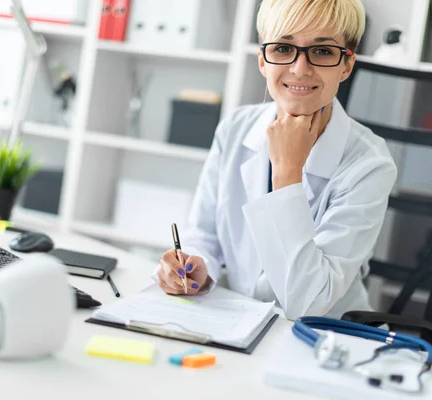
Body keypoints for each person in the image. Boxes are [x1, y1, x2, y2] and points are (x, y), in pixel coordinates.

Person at [156, 0, 397, 320]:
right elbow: (205, 234)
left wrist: (287, 172)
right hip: (241, 323)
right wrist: (197, 267)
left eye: (322, 52)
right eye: (284, 48)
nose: (300, 68)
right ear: (262, 62)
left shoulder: (370, 164)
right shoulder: (234, 128)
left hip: (325, 338)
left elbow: (308, 302)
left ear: (346, 65)